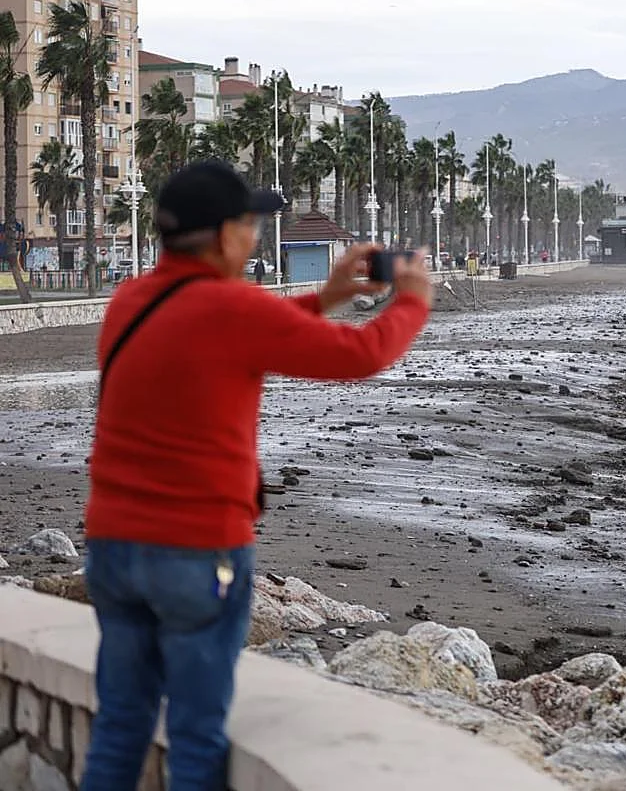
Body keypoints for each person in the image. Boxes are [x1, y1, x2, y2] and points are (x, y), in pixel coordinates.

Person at [81, 161, 432, 791]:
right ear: (223, 237)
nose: (255, 237)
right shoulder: (233, 309)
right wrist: (411, 301)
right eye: (249, 224)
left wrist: (326, 299)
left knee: (121, 725)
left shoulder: (132, 299)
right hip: (193, 552)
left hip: (112, 547)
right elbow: (361, 356)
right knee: (196, 735)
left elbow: (229, 329)